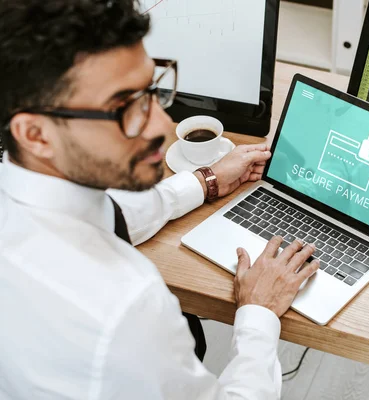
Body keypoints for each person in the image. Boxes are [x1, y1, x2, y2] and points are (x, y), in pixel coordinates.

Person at [0, 1, 320, 399]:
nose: (163, 124)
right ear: (35, 134)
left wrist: (206, 181)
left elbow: (108, 214)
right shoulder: (125, 309)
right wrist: (259, 312)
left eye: (152, 90)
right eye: (124, 106)